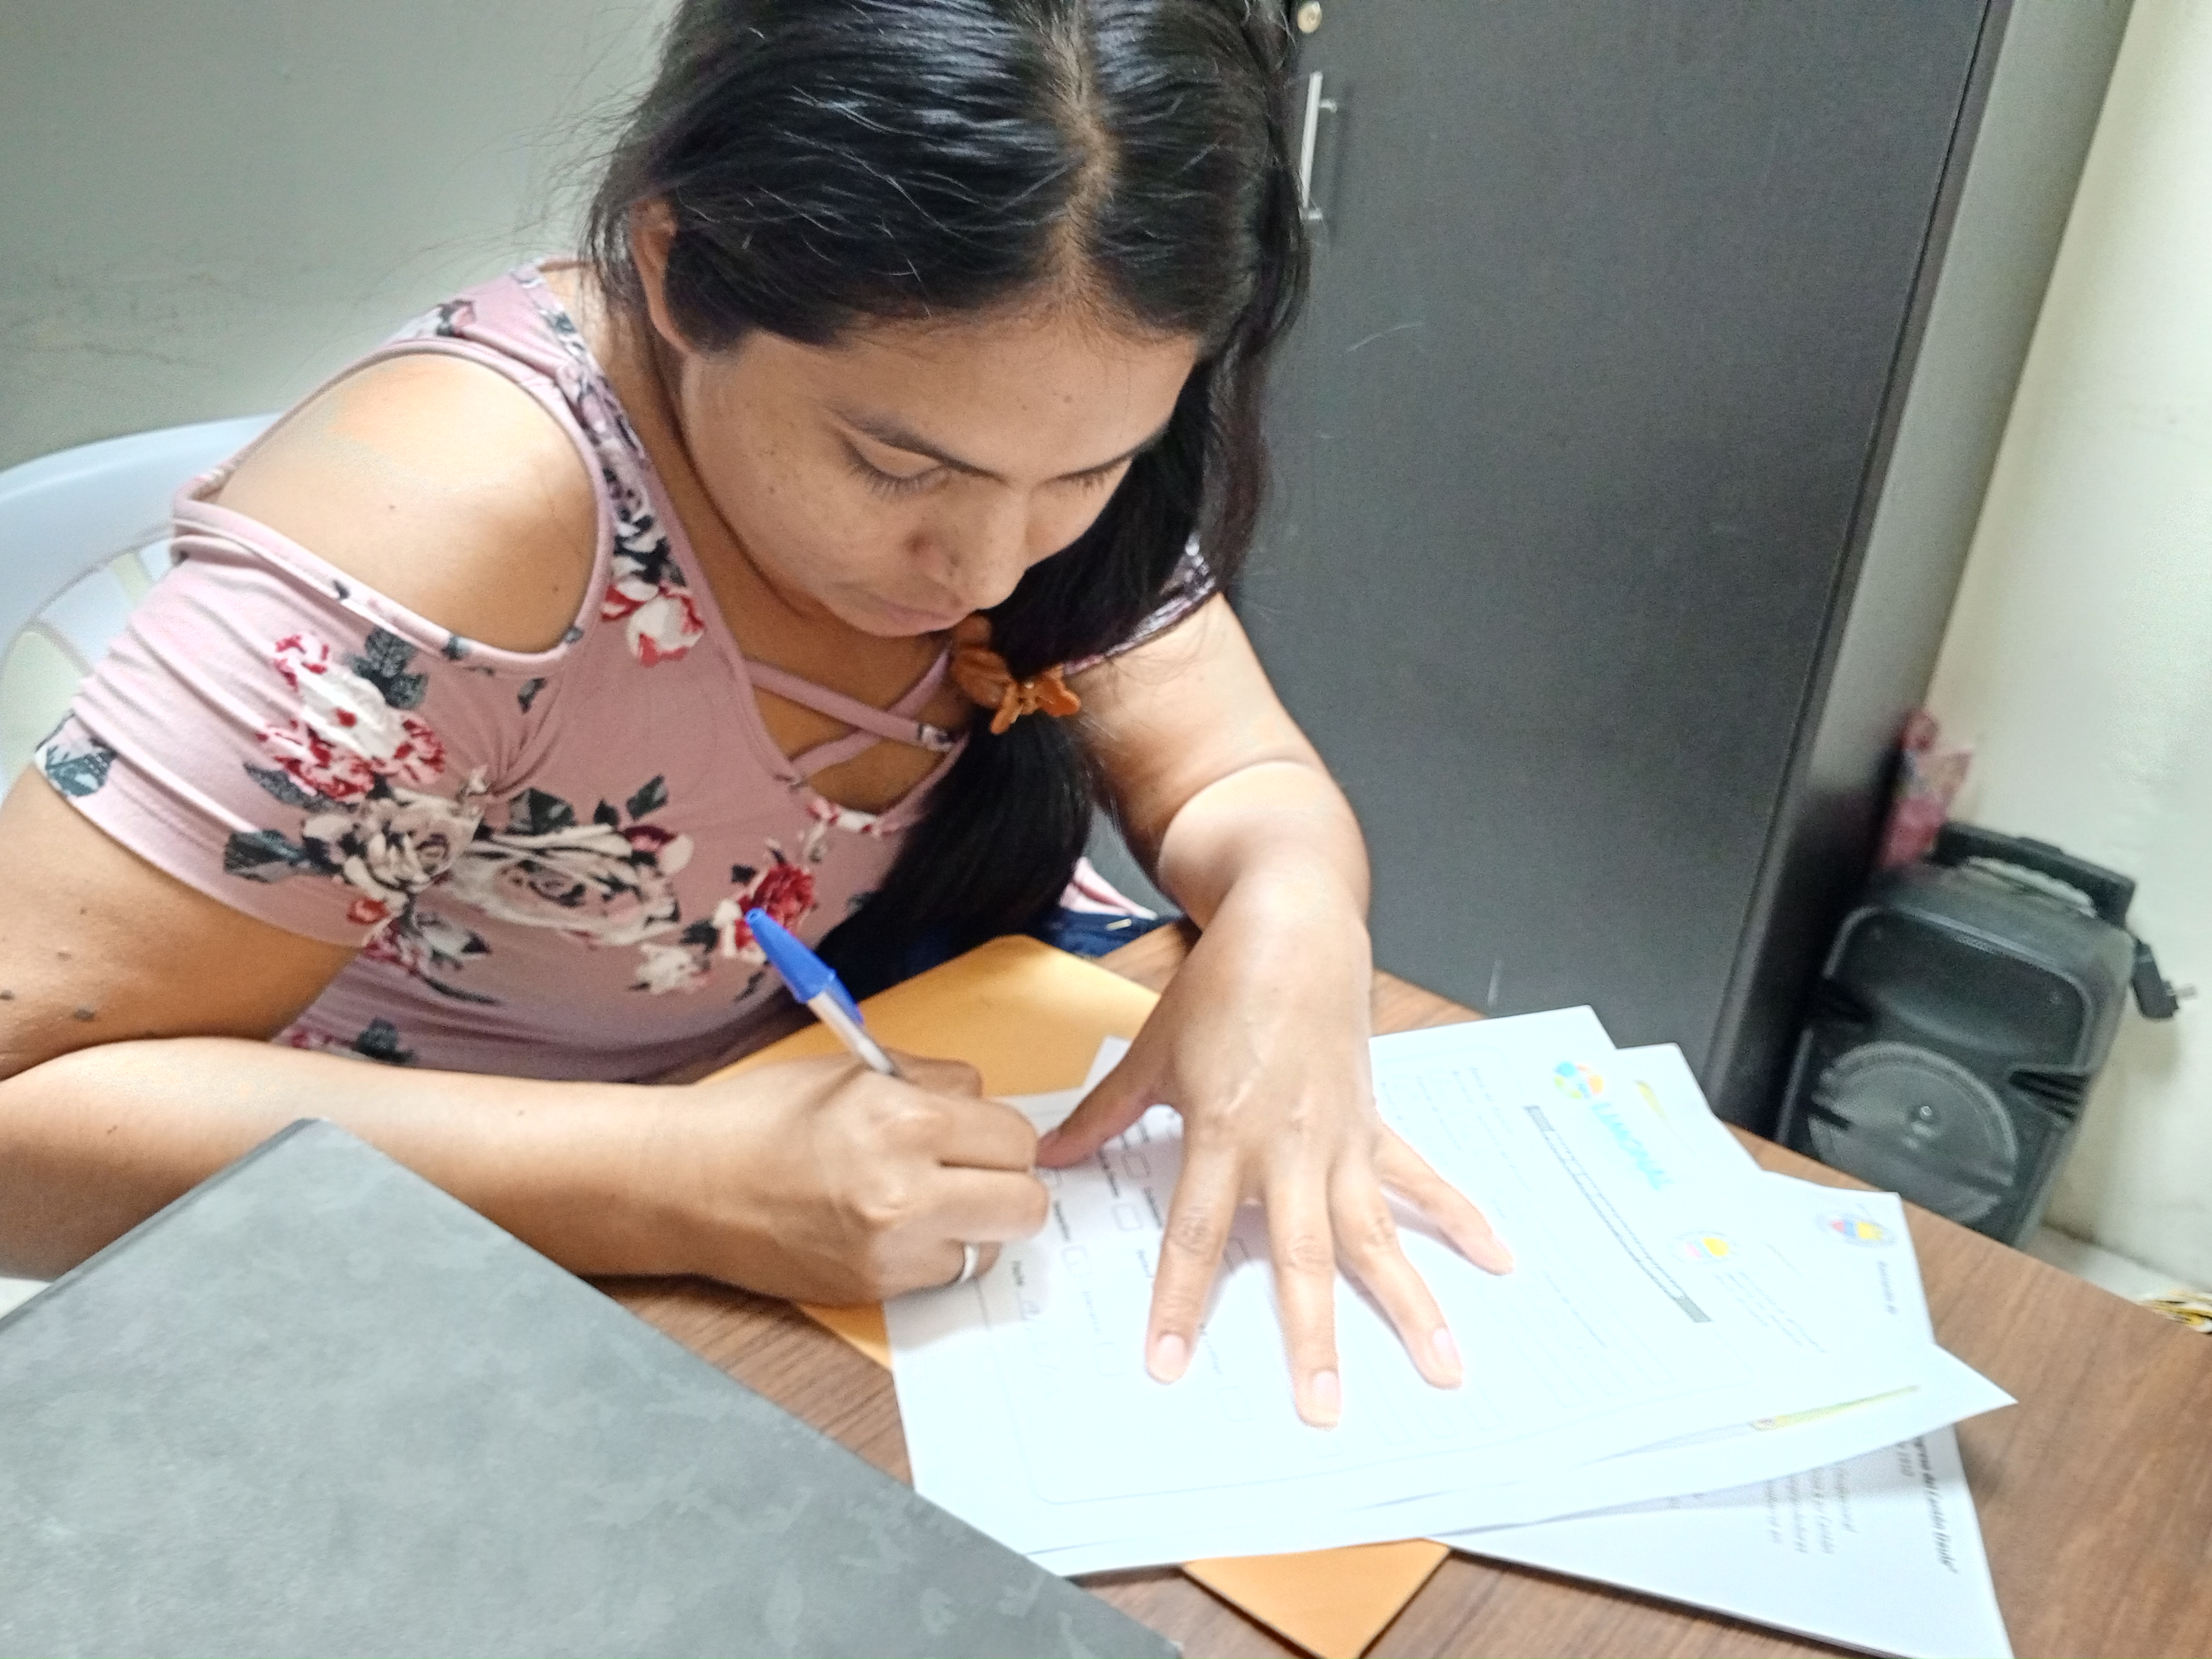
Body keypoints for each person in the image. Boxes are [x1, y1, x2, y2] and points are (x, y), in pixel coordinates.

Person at [0, 0, 1508, 1428]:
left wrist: (1294, 911)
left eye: (1089, 473)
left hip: (855, 1183)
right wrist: (676, 1177)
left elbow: (1231, 770)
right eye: (898, 467)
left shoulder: (1022, 417)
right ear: (677, 269)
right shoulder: (461, 526)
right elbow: (23, 1121)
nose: (989, 566)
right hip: (451, 1252)